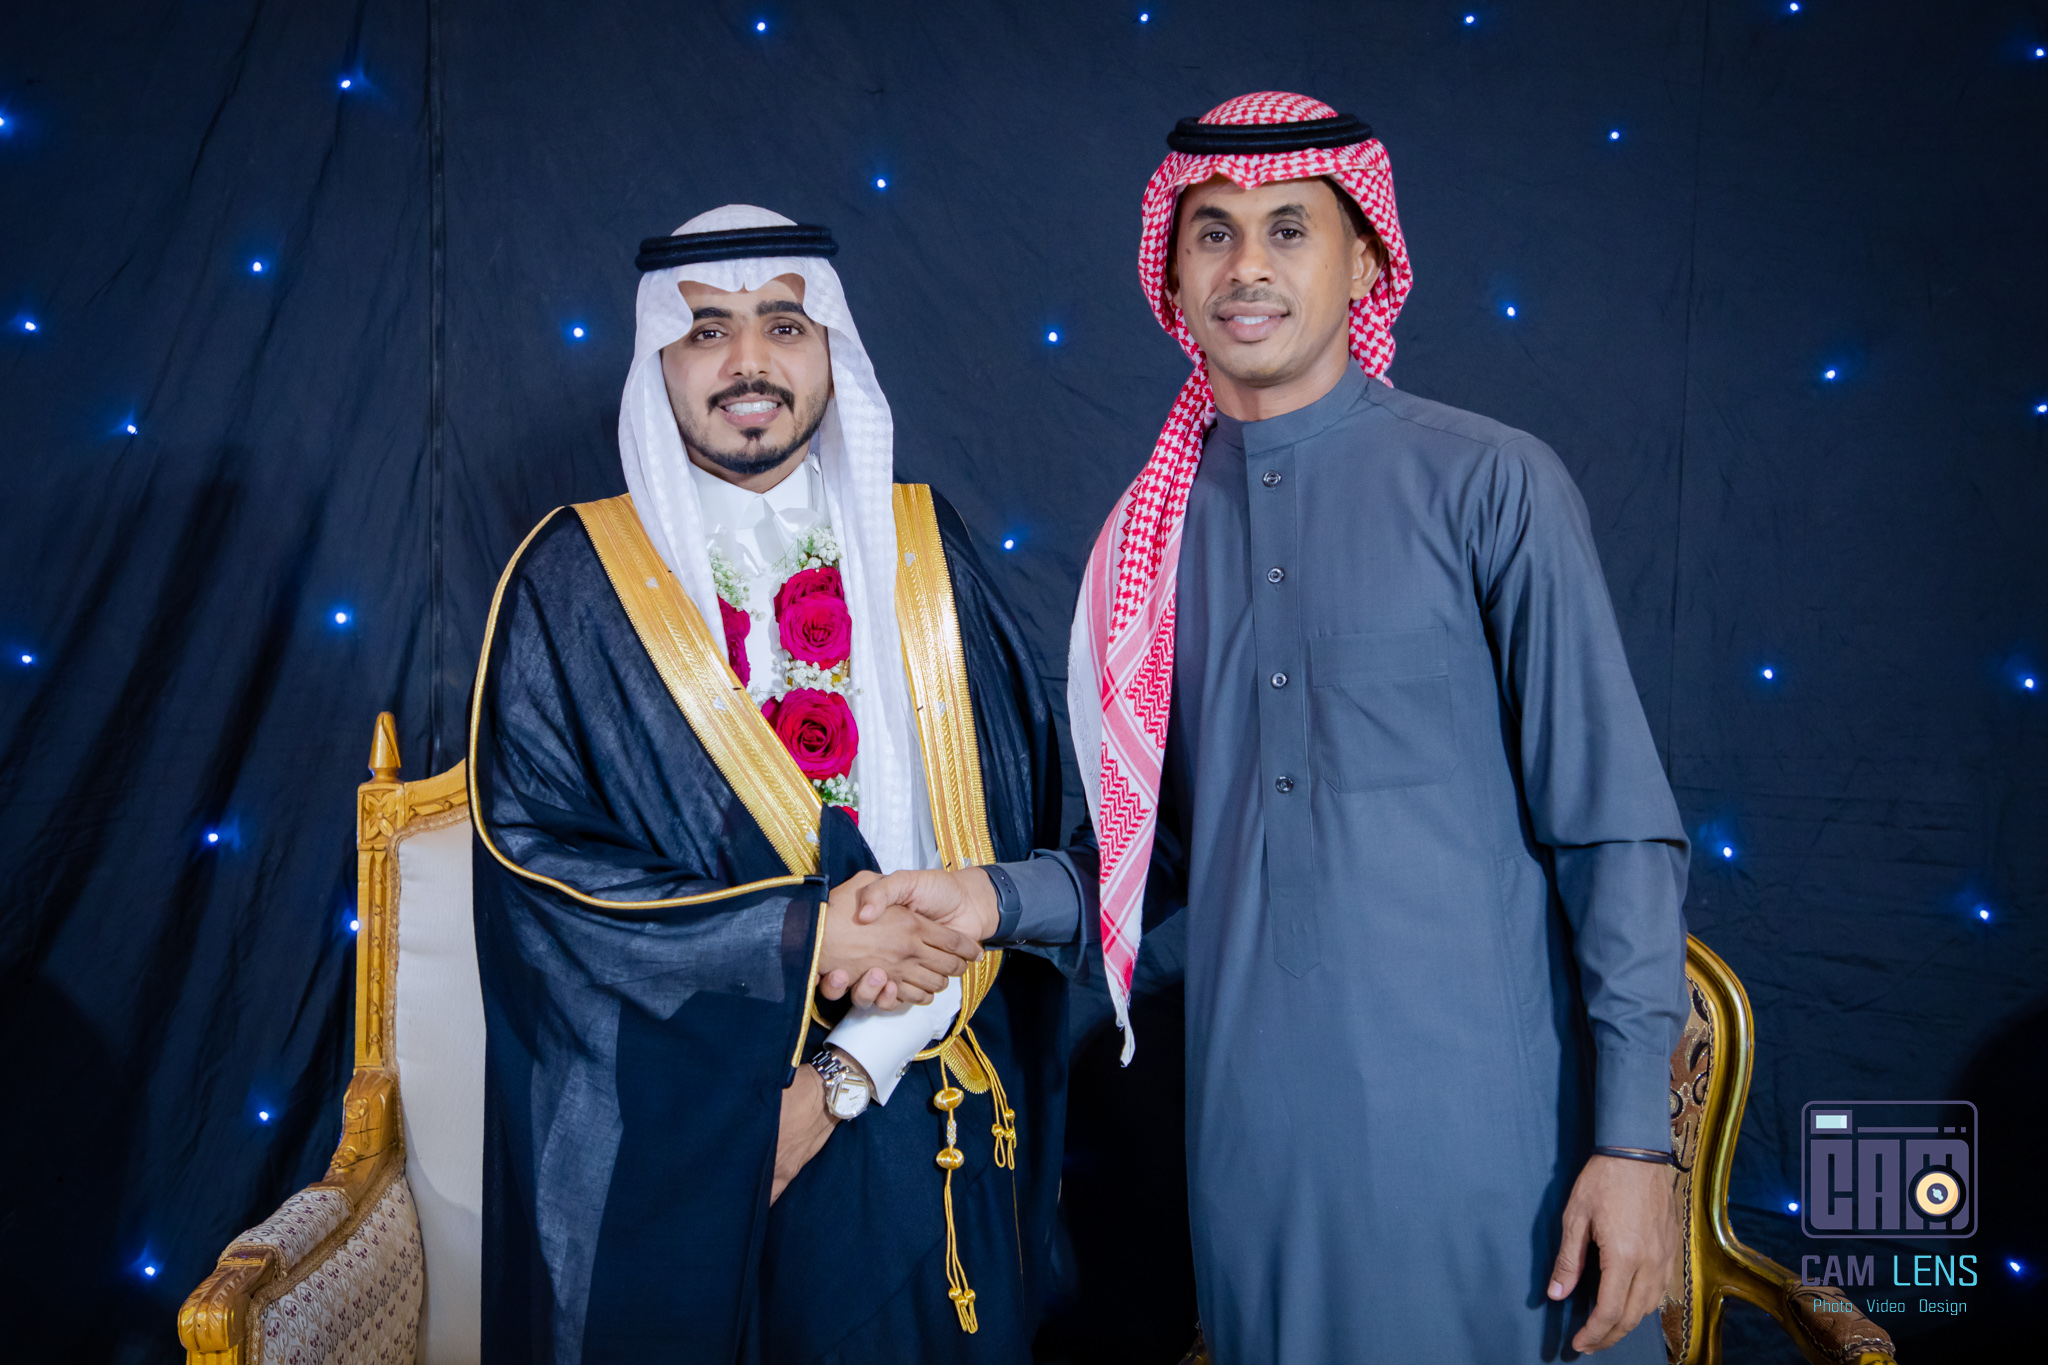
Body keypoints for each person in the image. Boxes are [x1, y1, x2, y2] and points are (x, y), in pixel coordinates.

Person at [858, 94, 1691, 1361]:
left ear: (1363, 262)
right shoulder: (1145, 547)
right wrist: (985, 900)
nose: (1246, 267)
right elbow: (1161, 856)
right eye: (1213, 234)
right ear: (1170, 276)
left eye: (1288, 229)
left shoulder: (1489, 482)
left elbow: (1614, 833)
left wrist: (1634, 1146)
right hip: (1256, 1143)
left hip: (1495, 1137)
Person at [467, 204, 1088, 1364]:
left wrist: (848, 1071)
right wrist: (803, 936)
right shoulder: (571, 580)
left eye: (783, 326)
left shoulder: (925, 551)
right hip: (690, 1133)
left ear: (829, 352)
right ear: (659, 360)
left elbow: (1015, 841)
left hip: (918, 1102)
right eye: (708, 330)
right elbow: (536, 869)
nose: (747, 361)